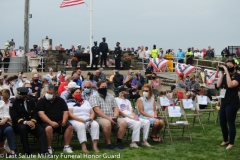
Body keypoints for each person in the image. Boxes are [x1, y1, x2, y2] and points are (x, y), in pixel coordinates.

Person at [89, 80, 127, 150]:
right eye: (102, 87)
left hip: (112, 116)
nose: (104, 88)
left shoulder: (111, 96)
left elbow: (115, 108)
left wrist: (115, 117)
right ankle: (108, 143)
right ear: (97, 87)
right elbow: (97, 110)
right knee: (107, 123)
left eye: (105, 87)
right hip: (99, 118)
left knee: (123, 122)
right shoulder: (94, 96)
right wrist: (108, 118)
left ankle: (119, 142)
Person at [10, 87, 49, 155]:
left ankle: (44, 151)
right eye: (23, 97)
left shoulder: (31, 101)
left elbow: (35, 113)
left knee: (41, 130)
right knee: (23, 129)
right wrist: (25, 122)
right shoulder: (13, 103)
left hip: (31, 122)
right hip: (20, 123)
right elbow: (14, 117)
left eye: (26, 96)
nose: (26, 98)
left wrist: (33, 121)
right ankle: (27, 151)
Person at [37, 85, 73, 154]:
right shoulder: (41, 101)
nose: (48, 94)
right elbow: (41, 114)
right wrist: (51, 122)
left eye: (51, 93)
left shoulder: (60, 100)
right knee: (48, 128)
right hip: (46, 122)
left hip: (60, 122)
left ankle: (67, 146)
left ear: (55, 93)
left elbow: (65, 112)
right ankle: (49, 147)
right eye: (47, 92)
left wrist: (64, 121)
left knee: (69, 126)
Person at [67, 88, 100, 152]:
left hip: (87, 119)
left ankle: (95, 146)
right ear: (73, 95)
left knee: (95, 124)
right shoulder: (69, 102)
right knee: (81, 126)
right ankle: (84, 147)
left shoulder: (86, 102)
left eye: (80, 92)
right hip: (75, 120)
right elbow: (70, 114)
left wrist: (91, 118)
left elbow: (92, 112)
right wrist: (79, 119)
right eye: (76, 93)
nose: (78, 94)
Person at [217, 59, 240, 150]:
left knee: (230, 122)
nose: (228, 67)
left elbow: (230, 85)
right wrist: (223, 73)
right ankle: (225, 140)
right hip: (224, 102)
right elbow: (219, 86)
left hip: (233, 103)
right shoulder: (225, 75)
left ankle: (231, 142)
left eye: (229, 66)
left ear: (234, 65)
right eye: (226, 65)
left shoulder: (238, 76)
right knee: (222, 122)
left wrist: (226, 71)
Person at [0, 89, 17, 156]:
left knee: (9, 129)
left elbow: (7, 114)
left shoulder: (2, 102)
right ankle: (2, 149)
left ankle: (12, 151)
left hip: (4, 122)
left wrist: (4, 120)